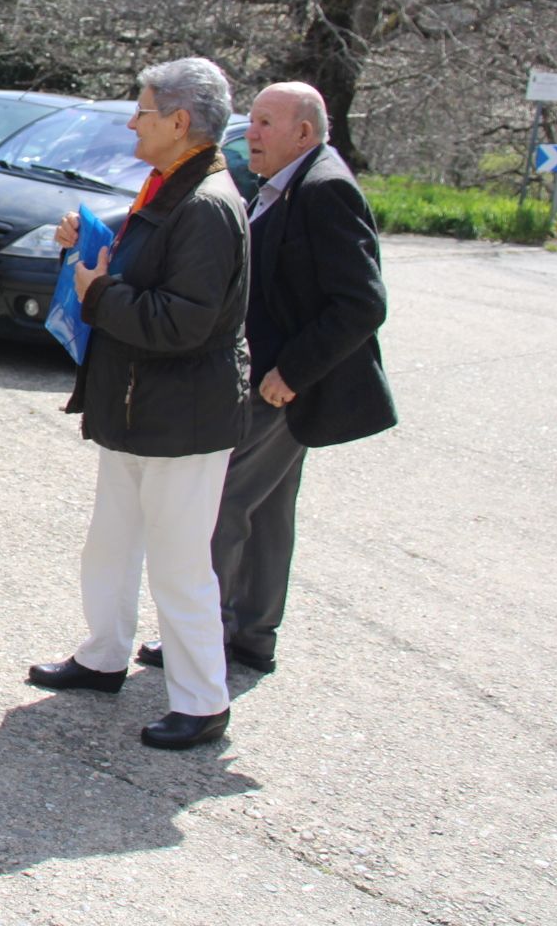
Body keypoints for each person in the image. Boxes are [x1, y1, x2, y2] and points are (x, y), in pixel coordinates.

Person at [26, 57, 250, 752]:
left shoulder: (207, 205)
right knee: (112, 543)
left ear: (179, 123)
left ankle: (203, 702)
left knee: (179, 564)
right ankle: (103, 657)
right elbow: (141, 267)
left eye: (143, 111)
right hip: (138, 405)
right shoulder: (171, 186)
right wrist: (92, 243)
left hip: (181, 417)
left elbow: (183, 321)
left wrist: (98, 292)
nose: (131, 123)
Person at [137, 82, 395, 676]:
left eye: (264, 123)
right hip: (275, 380)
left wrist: (291, 372)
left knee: (223, 504)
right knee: (270, 510)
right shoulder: (282, 182)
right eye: (251, 120)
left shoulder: (326, 189)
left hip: (283, 385)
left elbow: (363, 303)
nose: (249, 133)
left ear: (303, 133)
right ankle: (252, 636)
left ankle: (202, 637)